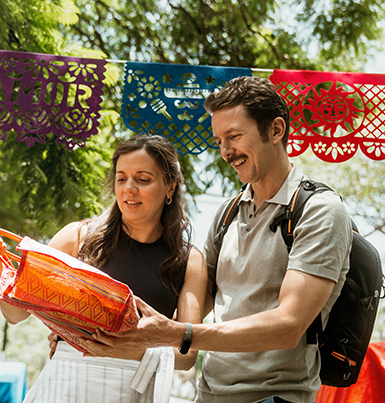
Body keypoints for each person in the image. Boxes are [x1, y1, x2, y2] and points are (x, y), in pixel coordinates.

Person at [94, 76, 353, 403]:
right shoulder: (227, 214)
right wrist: (104, 335)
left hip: (275, 398)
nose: (226, 152)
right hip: (209, 394)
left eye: (234, 137)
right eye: (219, 141)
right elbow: (194, 310)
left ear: (275, 130)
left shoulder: (319, 212)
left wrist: (179, 333)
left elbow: (290, 325)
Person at [0, 134, 208, 403]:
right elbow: (15, 314)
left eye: (143, 179)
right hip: (65, 386)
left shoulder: (188, 260)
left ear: (170, 188)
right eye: (121, 179)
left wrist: (136, 345)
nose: (129, 188)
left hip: (134, 391)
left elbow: (187, 355)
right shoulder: (77, 237)